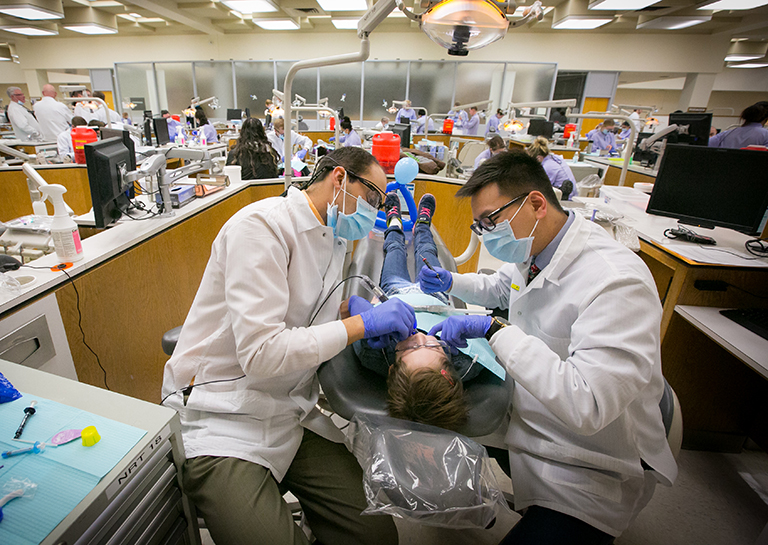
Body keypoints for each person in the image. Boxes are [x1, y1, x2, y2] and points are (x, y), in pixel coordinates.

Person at [418, 151, 677, 544]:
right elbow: (503, 287)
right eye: (479, 224)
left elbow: (588, 405)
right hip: (535, 416)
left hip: (596, 460)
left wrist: (494, 329)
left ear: (536, 203)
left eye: (491, 220)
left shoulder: (615, 281)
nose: (485, 232)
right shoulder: (537, 247)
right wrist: (451, 282)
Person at [161, 147, 409, 545]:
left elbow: (304, 313)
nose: (376, 212)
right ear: (340, 178)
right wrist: (358, 325)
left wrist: (349, 309)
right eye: (374, 199)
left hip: (289, 412)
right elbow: (261, 354)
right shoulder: (262, 227)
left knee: (376, 535)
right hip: (224, 416)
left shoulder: (335, 238)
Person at [348, 192, 485, 431]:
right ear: (449, 367)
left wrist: (367, 310)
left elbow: (353, 311)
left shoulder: (373, 353)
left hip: (394, 292)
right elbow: (495, 342)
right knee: (427, 251)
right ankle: (423, 223)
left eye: (410, 347)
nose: (420, 337)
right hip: (434, 293)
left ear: (393, 367)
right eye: (433, 345)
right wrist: (484, 327)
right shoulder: (466, 361)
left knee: (394, 250)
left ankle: (393, 220)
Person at [526, 136, 576, 200]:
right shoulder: (554, 158)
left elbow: (541, 189)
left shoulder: (548, 167)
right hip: (571, 195)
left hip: (564, 199)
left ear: (538, 158)